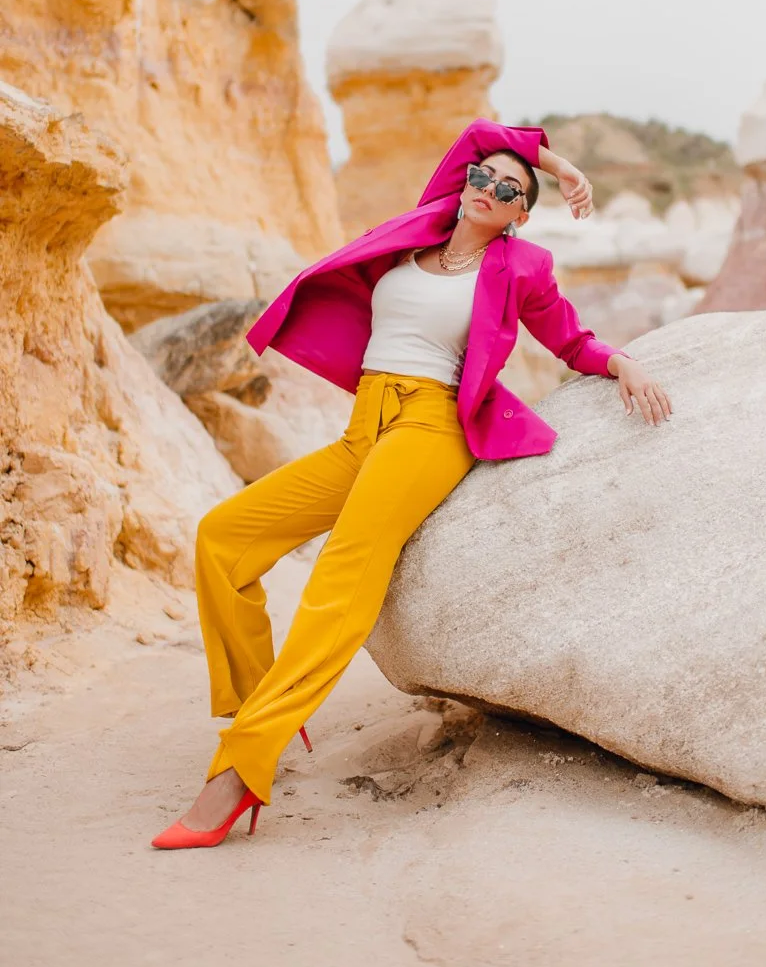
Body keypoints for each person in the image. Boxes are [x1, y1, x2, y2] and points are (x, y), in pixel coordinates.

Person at [151, 118, 672, 849]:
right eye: (483, 178)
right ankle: (265, 703)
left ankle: (239, 772)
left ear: (522, 213)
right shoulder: (427, 227)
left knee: (343, 573)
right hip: (363, 427)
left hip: (430, 428)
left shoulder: (521, 266)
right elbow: (480, 133)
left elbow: (569, 340)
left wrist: (623, 364)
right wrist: (553, 162)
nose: (489, 188)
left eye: (510, 189)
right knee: (223, 537)